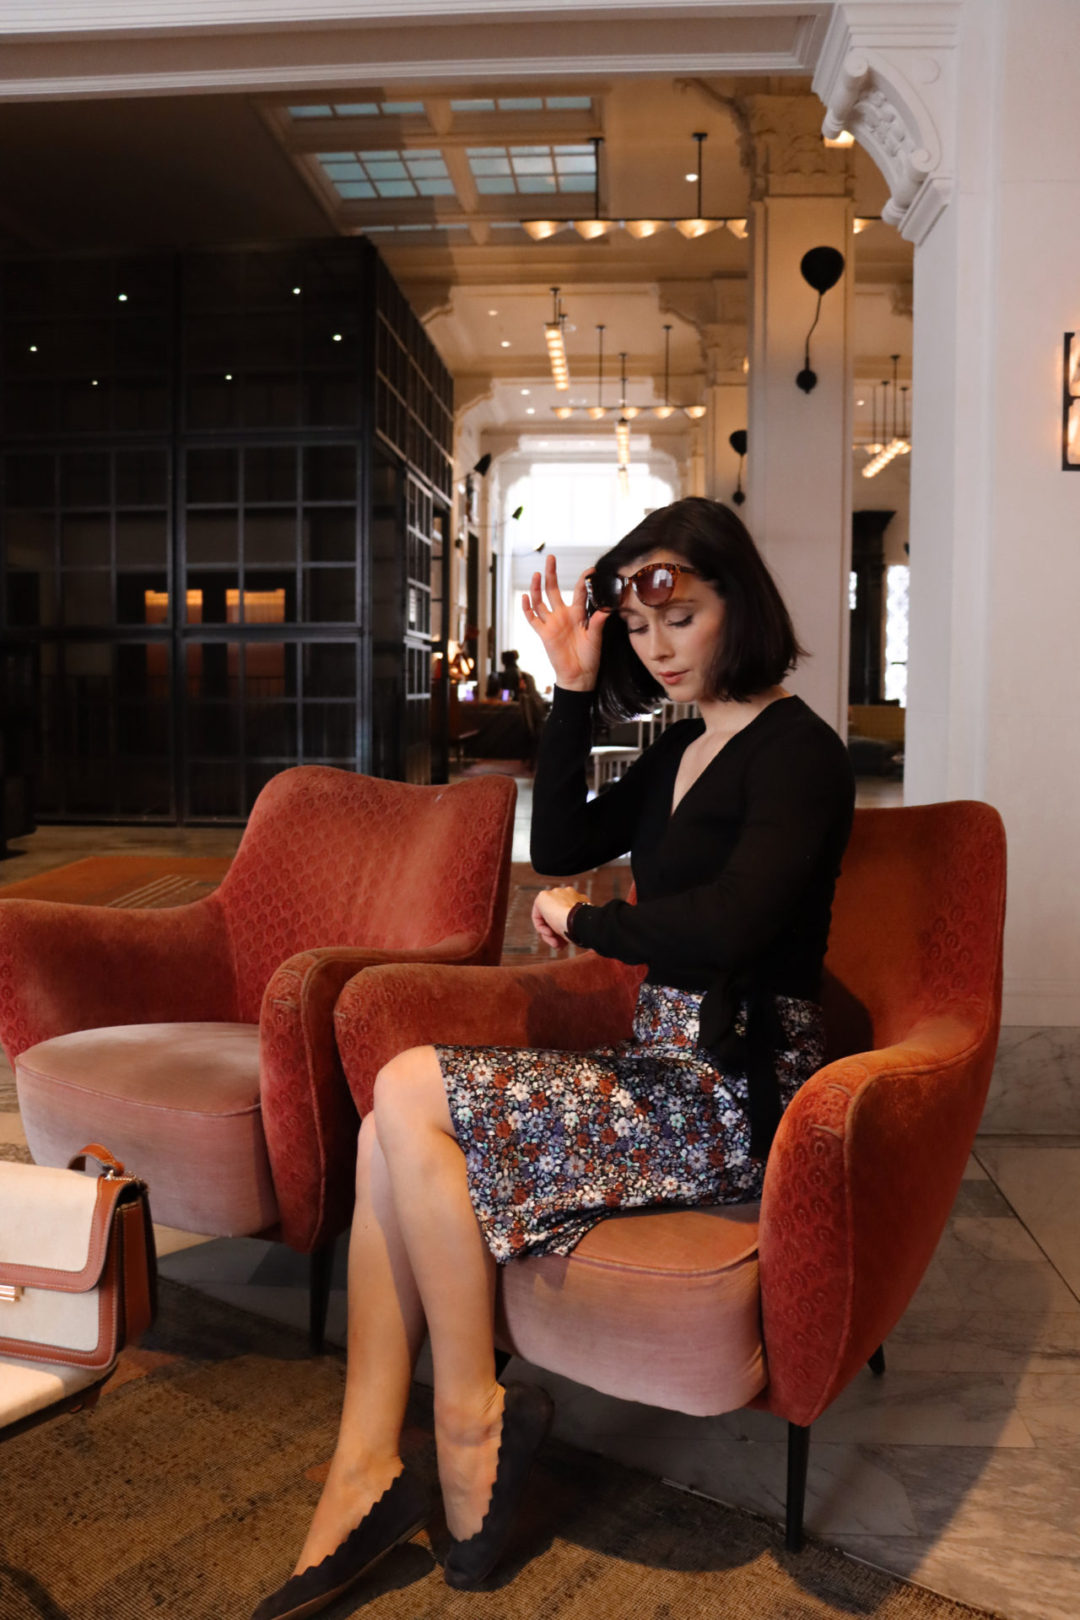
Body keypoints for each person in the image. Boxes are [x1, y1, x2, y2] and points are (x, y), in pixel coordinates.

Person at [250, 496, 855, 1620]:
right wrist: (573, 688)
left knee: (406, 1088)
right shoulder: (683, 747)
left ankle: (469, 1414)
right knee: (385, 1130)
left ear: (740, 603)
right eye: (639, 626)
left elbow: (728, 927)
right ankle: (368, 1459)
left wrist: (588, 920)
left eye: (682, 616)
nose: (658, 646)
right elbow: (565, 839)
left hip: (736, 1088)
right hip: (660, 1065)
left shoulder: (801, 753)